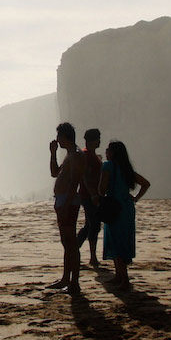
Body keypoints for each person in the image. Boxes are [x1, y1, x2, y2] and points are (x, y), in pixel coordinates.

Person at [99, 140, 150, 289]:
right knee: (122, 238)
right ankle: (119, 276)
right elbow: (146, 183)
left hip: (113, 206)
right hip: (126, 206)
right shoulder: (126, 168)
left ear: (113, 153)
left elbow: (101, 189)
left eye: (108, 150)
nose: (106, 152)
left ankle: (124, 279)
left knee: (115, 240)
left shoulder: (108, 166)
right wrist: (136, 198)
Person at [47, 122, 86, 294]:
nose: (57, 140)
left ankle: (74, 283)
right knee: (66, 242)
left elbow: (74, 182)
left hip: (68, 202)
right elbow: (55, 173)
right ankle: (66, 279)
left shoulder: (76, 155)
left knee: (71, 243)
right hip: (63, 201)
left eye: (58, 137)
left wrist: (67, 204)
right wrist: (53, 153)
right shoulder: (69, 154)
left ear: (64, 137)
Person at [74, 129, 103, 267]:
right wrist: (93, 194)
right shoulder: (86, 155)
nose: (100, 141)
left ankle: (74, 249)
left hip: (91, 194)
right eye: (98, 138)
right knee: (93, 225)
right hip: (88, 195)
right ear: (93, 140)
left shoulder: (92, 155)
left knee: (89, 225)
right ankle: (92, 257)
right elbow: (85, 176)